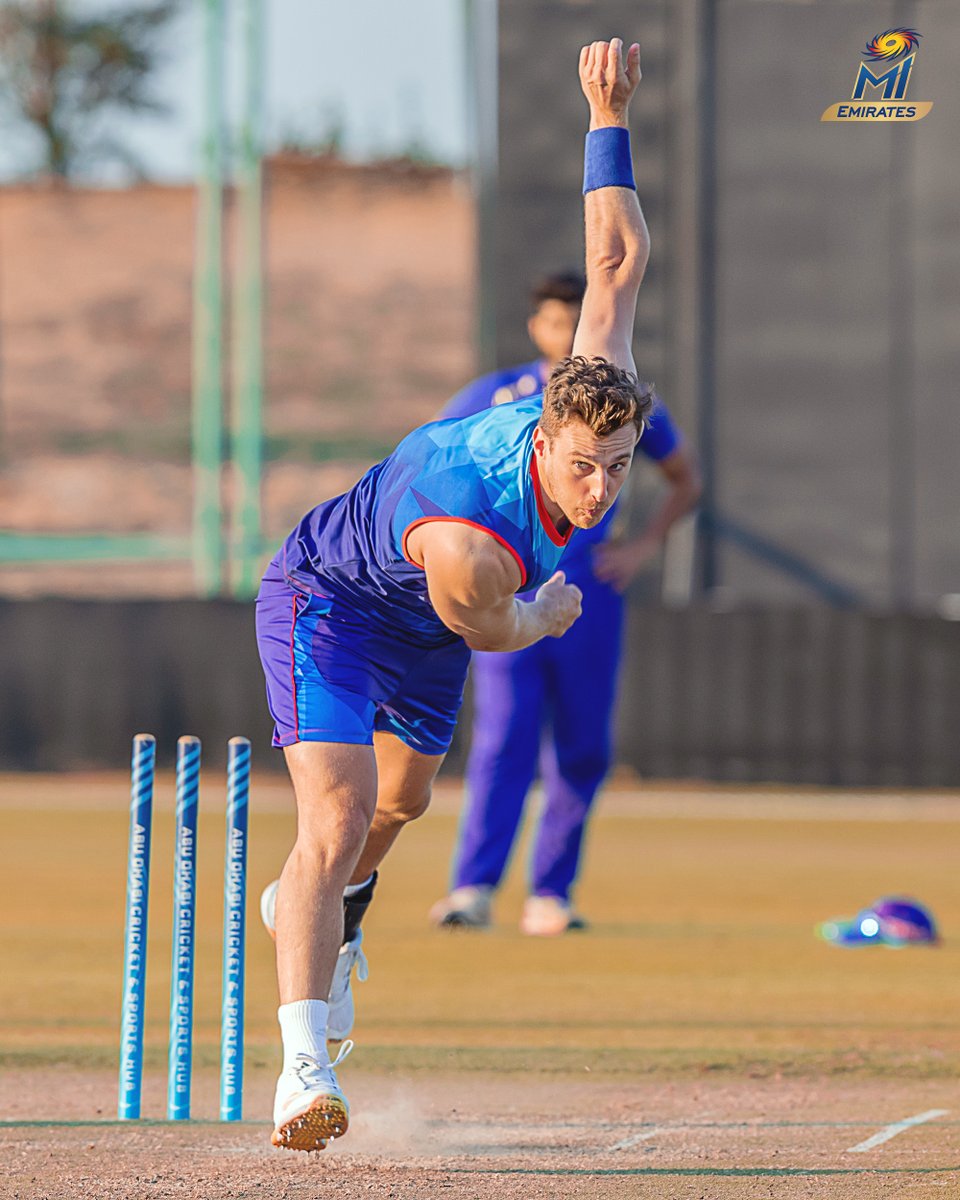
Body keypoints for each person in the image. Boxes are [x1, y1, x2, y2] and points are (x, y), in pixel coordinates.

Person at [255, 37, 649, 1153]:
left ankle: (316, 907)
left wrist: (604, 116)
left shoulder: (595, 397)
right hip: (333, 599)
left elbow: (614, 261)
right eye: (585, 468)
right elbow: (500, 623)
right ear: (542, 442)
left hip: (424, 627)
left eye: (618, 466)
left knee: (400, 810)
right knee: (331, 819)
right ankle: (303, 1071)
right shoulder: (478, 539)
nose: (600, 486)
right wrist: (551, 611)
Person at [429, 281, 701, 936]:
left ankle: (550, 892)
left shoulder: (620, 400)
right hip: (510, 587)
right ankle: (473, 888)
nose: (564, 332)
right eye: (554, 321)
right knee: (503, 740)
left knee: (581, 744)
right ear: (536, 327)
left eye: (577, 320)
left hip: (590, 594)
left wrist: (639, 549)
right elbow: (435, 459)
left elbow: (685, 478)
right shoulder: (498, 396)